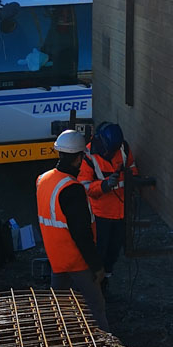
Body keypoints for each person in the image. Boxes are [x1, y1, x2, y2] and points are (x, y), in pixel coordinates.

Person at [36, 128, 108, 331]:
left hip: (55, 257)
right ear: (78, 159)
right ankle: (106, 345)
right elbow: (81, 234)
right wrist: (96, 265)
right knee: (96, 306)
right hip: (76, 260)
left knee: (59, 306)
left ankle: (57, 337)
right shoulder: (72, 189)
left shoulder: (43, 179)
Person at [79, 121, 136, 293]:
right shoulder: (88, 156)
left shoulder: (123, 148)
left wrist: (133, 180)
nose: (111, 154)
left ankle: (106, 281)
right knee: (99, 252)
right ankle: (96, 286)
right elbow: (85, 186)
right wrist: (104, 185)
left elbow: (132, 168)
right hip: (100, 214)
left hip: (120, 211)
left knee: (113, 251)